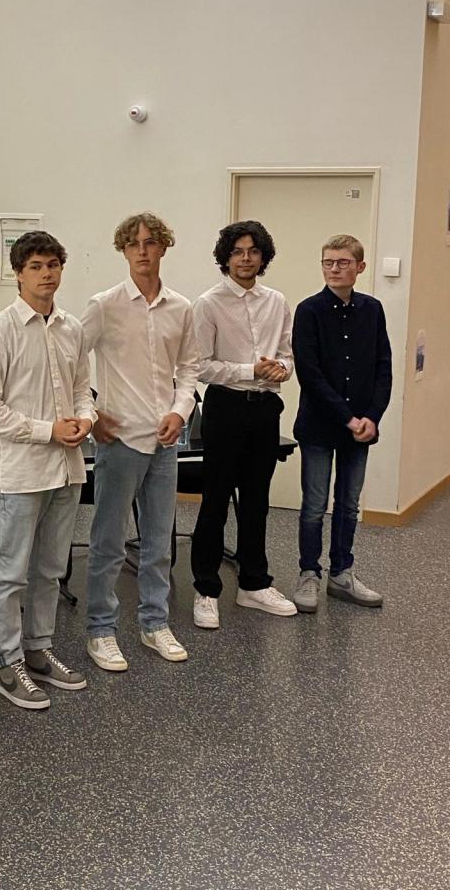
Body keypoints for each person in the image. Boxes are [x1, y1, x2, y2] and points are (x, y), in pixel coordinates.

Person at [0, 231, 96, 710]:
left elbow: (83, 389)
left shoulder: (71, 328)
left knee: (50, 569)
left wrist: (86, 420)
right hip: (23, 473)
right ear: (18, 274)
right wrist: (48, 431)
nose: (47, 274)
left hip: (67, 470)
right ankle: (9, 663)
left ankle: (39, 650)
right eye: (37, 267)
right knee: (10, 575)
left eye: (53, 265)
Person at [82, 213, 197, 671]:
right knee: (109, 543)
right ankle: (100, 630)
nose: (143, 250)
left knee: (158, 542)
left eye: (150, 242)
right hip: (120, 441)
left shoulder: (180, 308)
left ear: (164, 247)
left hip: (164, 442)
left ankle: (154, 623)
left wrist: (180, 411)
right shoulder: (104, 306)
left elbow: (189, 368)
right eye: (134, 244)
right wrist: (90, 416)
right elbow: (72, 363)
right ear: (124, 251)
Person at [190, 220, 297, 630]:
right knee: (215, 500)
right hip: (226, 408)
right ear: (226, 257)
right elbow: (201, 367)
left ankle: (253, 583)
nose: (246, 258)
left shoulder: (277, 301)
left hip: (265, 409)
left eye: (253, 251)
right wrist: (249, 369)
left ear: (263, 256)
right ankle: (206, 588)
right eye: (237, 252)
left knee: (256, 500)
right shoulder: (208, 304)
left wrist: (281, 369)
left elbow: (286, 354)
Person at [291, 234, 392, 612]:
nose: (334, 269)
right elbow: (310, 374)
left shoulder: (373, 309)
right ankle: (308, 573)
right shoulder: (309, 311)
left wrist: (372, 418)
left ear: (359, 267)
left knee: (349, 504)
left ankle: (341, 573)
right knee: (314, 504)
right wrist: (348, 418)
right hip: (320, 425)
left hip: (361, 428)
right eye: (328, 262)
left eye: (343, 262)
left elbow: (383, 367)